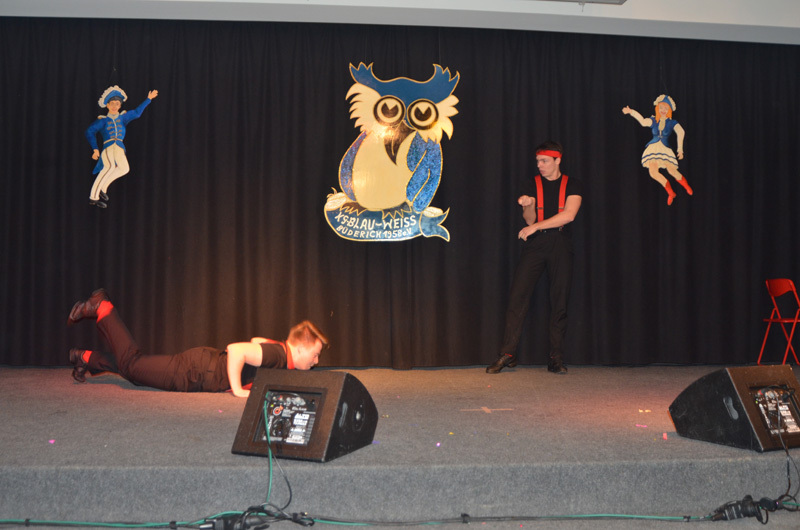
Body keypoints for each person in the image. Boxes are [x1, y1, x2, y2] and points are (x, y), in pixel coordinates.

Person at [67, 289, 329, 397]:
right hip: (196, 372)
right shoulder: (279, 356)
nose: (316, 361)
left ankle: (85, 357)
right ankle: (103, 307)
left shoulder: (279, 352)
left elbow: (255, 342)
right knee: (133, 367)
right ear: (300, 348)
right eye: (315, 354)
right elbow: (238, 349)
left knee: (138, 370)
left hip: (202, 366)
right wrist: (238, 389)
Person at [487, 141, 583, 375]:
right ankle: (508, 354)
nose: (539, 165)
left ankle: (555, 357)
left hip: (560, 242)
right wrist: (529, 205)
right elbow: (529, 220)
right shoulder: (531, 184)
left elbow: (569, 215)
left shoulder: (572, 184)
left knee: (559, 300)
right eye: (538, 161)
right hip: (536, 244)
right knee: (518, 296)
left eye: (544, 161)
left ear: (558, 160)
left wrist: (536, 226)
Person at [84, 86, 159, 208]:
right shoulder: (103, 120)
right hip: (109, 147)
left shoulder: (123, 117)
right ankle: (93, 197)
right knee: (108, 167)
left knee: (124, 168)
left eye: (117, 104)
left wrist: (148, 99)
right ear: (107, 105)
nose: (114, 106)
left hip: (119, 147)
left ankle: (103, 188)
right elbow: (89, 132)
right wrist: (95, 149)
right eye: (112, 104)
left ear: (120, 106)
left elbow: (137, 113)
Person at [621, 94, 692, 205]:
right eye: (661, 107)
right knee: (653, 172)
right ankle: (670, 192)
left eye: (666, 108)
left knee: (672, 170)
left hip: (665, 149)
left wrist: (680, 150)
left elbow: (681, 132)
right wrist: (631, 112)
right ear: (657, 108)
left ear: (669, 110)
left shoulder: (671, 122)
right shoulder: (653, 120)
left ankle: (686, 186)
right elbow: (643, 122)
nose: (663, 110)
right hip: (653, 148)